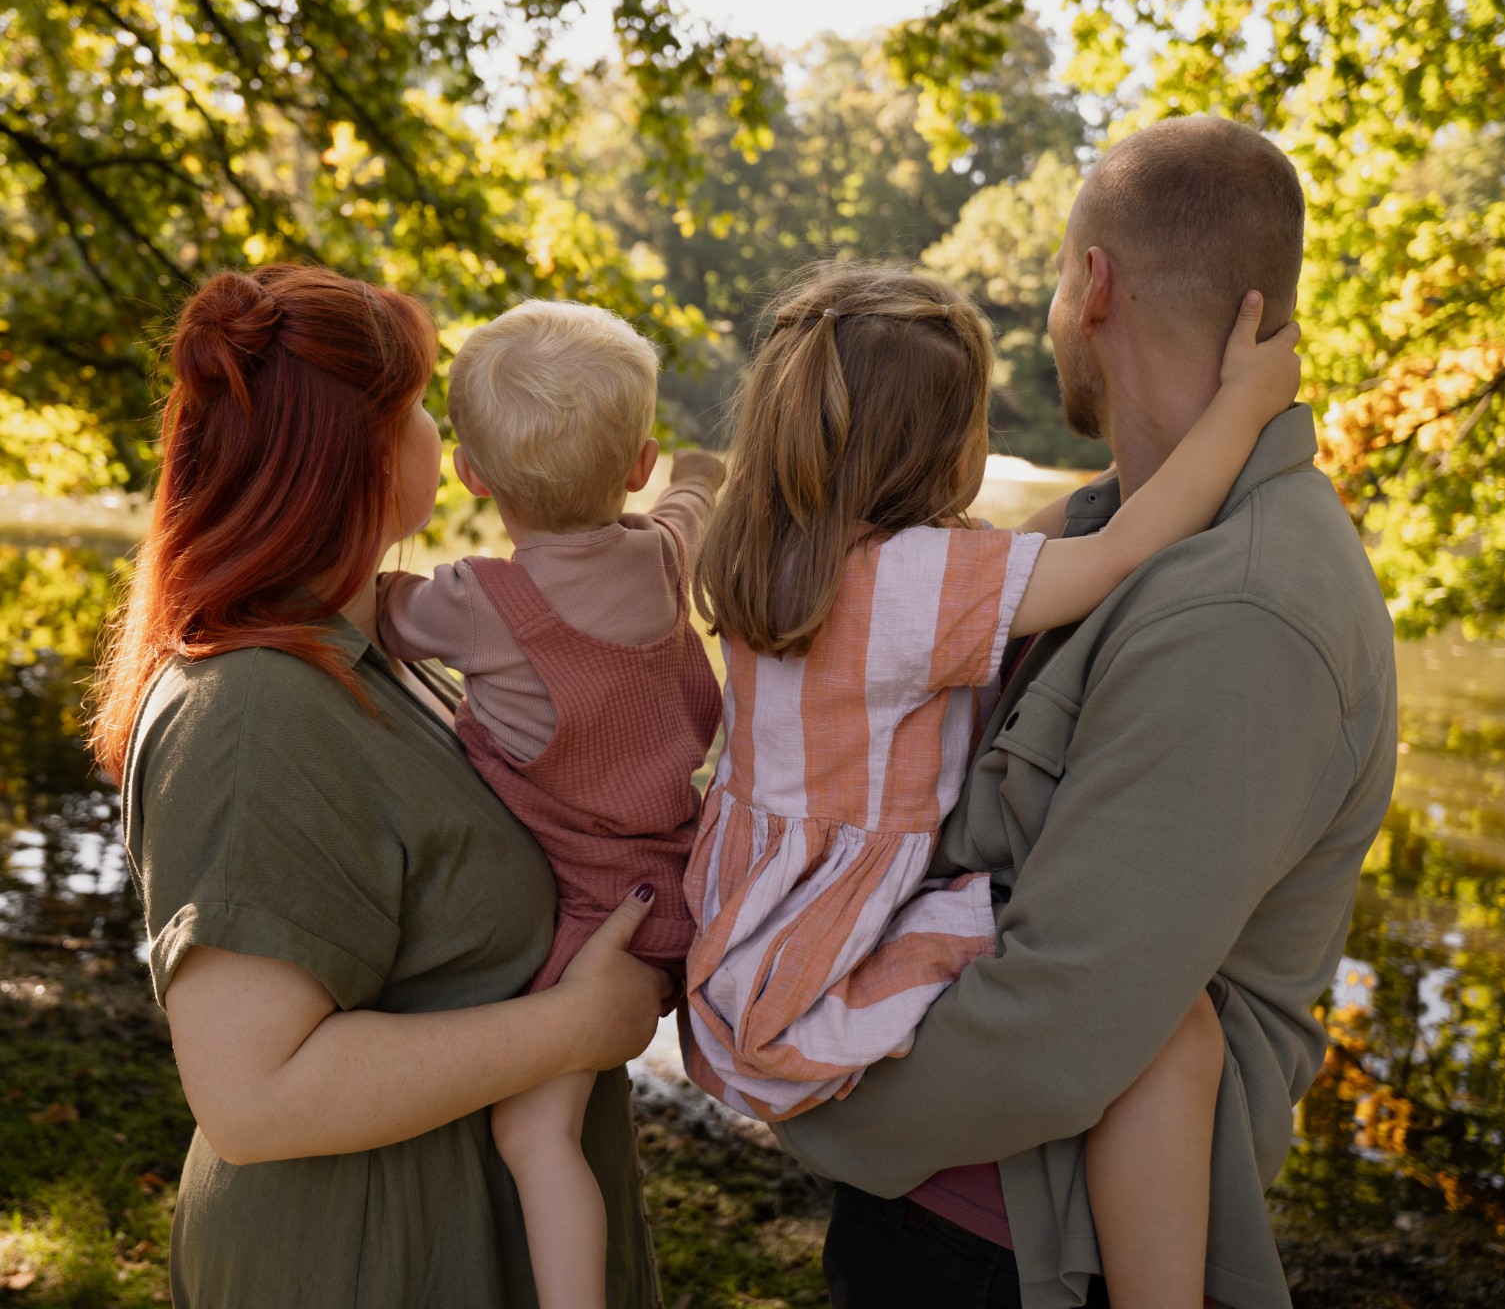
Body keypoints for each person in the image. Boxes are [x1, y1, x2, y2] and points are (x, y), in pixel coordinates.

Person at [768, 116, 1400, 1309]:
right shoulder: (1102, 534)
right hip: (955, 1207)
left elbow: (1063, 1023)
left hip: (1025, 1248)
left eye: (1057, 285)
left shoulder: (1243, 611)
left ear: (1090, 284)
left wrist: (807, 1098)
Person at [684, 264, 1300, 1309]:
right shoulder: (916, 584)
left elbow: (1050, 542)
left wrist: (1098, 496)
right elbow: (1121, 553)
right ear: (944, 452)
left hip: (761, 933)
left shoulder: (786, 553)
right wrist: (1244, 405)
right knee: (1170, 1023)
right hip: (828, 958)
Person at [90, 265, 671, 1309]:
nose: (438, 437)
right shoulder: (253, 708)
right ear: (361, 450)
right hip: (365, 1264)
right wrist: (579, 1028)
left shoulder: (373, 658)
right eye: (414, 409)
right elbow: (252, 1096)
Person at [376, 300, 725, 1309]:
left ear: (471, 477)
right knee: (550, 1125)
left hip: (592, 917)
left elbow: (374, 614)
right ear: (636, 464)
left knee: (534, 1133)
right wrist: (697, 473)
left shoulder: (483, 602)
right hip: (674, 887)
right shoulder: (663, 555)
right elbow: (695, 502)